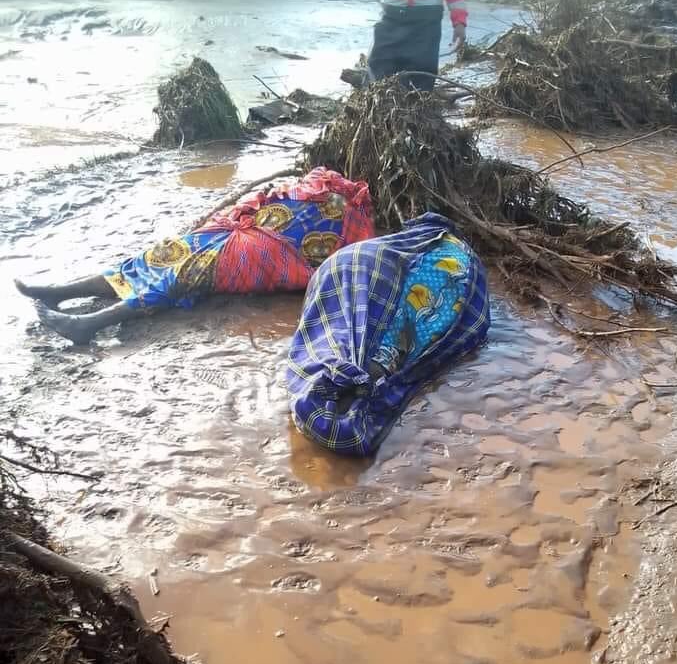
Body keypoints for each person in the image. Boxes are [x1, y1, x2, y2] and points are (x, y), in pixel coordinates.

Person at [15, 169, 375, 344]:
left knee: (181, 271)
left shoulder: (337, 207)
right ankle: (62, 292)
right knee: (166, 254)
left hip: (262, 254)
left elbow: (329, 268)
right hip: (249, 240)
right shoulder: (346, 214)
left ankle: (88, 323)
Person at [287, 212, 490, 456]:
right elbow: (477, 322)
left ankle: (339, 363)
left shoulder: (400, 242)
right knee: (379, 347)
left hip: (340, 266)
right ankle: (365, 371)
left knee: (332, 331)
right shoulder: (468, 262)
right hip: (399, 303)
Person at [361, 0, 468, 91]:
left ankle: (420, 109)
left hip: (427, 21)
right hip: (391, 17)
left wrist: (459, 22)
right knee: (379, 73)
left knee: (421, 80)